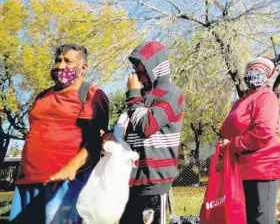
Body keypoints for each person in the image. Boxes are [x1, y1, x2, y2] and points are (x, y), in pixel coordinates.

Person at [10, 44, 110, 224]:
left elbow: (96, 139)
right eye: (58, 60)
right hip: (27, 180)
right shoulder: (42, 96)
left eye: (68, 61)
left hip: (64, 181)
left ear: (83, 67)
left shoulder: (91, 94)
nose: (61, 65)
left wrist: (71, 168)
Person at [116, 41, 185, 224]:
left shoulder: (171, 94)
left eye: (141, 65)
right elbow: (128, 129)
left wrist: (133, 95)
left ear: (156, 65)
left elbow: (147, 126)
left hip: (153, 181)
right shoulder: (141, 97)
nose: (137, 71)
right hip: (131, 180)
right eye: (135, 66)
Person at [218, 57, 280, 224]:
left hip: (262, 166)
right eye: (250, 70)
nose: (252, 74)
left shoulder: (267, 97)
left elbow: (263, 131)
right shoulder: (241, 101)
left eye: (259, 71)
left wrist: (232, 145)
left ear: (267, 76)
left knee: (260, 220)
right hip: (242, 168)